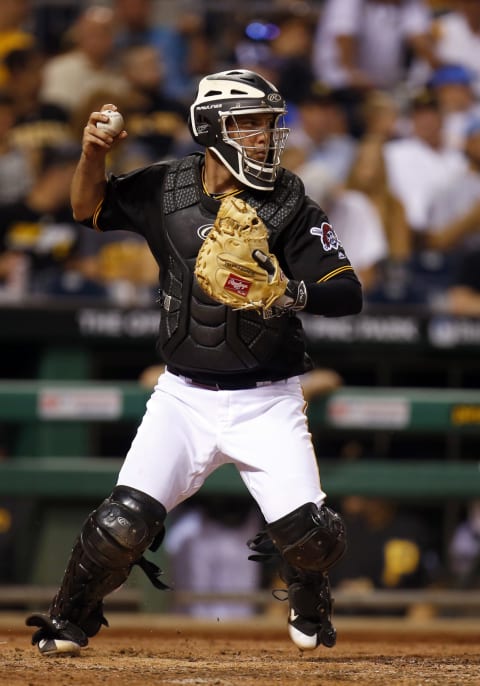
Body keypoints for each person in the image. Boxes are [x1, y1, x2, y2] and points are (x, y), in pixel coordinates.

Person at [25, 69, 362, 656]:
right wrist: (92, 153)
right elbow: (87, 208)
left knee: (310, 538)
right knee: (120, 525)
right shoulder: (167, 186)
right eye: (250, 123)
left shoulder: (289, 200)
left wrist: (289, 292)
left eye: (267, 123)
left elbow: (347, 291)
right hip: (183, 397)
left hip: (267, 399)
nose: (264, 135)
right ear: (212, 127)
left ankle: (311, 594)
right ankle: (68, 619)